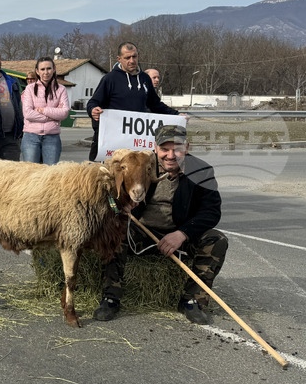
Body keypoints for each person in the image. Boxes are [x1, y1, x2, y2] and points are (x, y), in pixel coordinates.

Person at [93, 125, 227, 325]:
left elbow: (211, 211)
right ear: (155, 148)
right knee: (114, 231)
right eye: (164, 149)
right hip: (140, 231)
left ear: (187, 147)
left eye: (177, 149)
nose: (170, 155)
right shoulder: (140, 164)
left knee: (217, 240)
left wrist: (182, 233)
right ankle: (110, 297)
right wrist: (121, 205)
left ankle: (192, 300)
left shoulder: (202, 171)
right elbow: (110, 195)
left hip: (179, 235)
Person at [86, 42, 179, 161]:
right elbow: (93, 102)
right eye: (127, 58)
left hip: (136, 142)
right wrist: (93, 110)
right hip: (113, 142)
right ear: (119, 59)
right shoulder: (109, 79)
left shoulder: (145, 78)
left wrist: (176, 115)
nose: (132, 61)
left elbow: (155, 104)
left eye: (134, 56)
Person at [20, 56, 70, 164]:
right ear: (37, 71)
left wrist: (44, 110)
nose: (46, 72)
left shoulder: (61, 89)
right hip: (31, 136)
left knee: (50, 172)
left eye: (49, 68)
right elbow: (28, 113)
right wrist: (52, 116)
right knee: (31, 171)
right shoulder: (29, 89)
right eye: (42, 69)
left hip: (52, 137)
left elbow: (64, 112)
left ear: (54, 69)